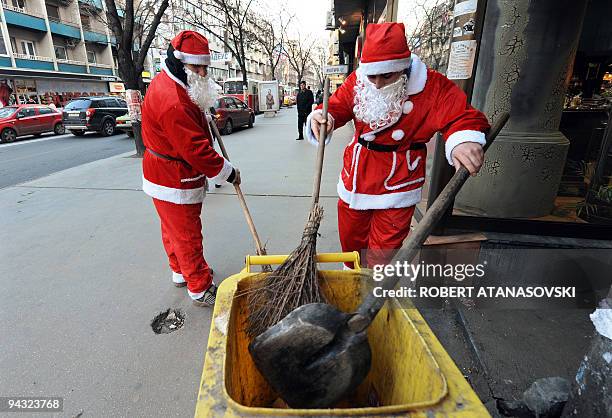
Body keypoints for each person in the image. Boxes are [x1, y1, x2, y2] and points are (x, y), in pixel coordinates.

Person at [307, 22, 490, 268]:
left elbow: (461, 115)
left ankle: (374, 293)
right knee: (351, 244)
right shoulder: (358, 80)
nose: (379, 83)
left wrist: (463, 140)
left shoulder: (431, 85)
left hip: (398, 181)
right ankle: (351, 284)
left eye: (387, 75)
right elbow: (337, 106)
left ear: (403, 68)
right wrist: (324, 117)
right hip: (356, 176)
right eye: (373, 76)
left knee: (384, 252)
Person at [141, 30, 241, 307]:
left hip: (162, 171)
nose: (201, 72)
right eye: (195, 67)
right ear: (179, 62)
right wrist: (228, 172)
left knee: (172, 229)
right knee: (186, 233)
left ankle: (179, 271)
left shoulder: (176, 85)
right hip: (173, 176)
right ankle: (199, 286)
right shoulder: (173, 99)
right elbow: (195, 149)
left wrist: (202, 110)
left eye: (204, 67)